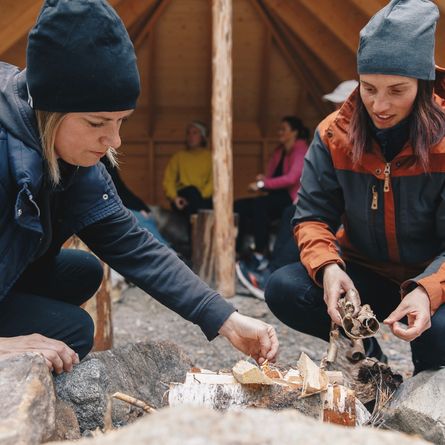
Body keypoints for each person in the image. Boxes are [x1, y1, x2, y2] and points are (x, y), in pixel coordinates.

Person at [0, 0, 278, 374]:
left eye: (121, 121)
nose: (113, 140)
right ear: (49, 110)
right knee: (73, 331)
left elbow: (134, 246)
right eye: (98, 123)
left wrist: (225, 317)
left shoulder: (74, 160)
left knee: (83, 270)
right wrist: (7, 345)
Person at [265, 0, 445, 372]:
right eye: (369, 88)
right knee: (286, 288)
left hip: (433, 275)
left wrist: (427, 292)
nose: (380, 105)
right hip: (367, 273)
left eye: (397, 90)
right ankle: (371, 363)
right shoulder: (334, 135)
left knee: (436, 338)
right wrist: (329, 266)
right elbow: (312, 216)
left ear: (424, 84)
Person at [236, 81, 358, 299]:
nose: (336, 111)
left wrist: (265, 184)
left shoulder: (352, 138)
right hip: (317, 200)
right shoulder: (334, 137)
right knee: (286, 214)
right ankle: (269, 266)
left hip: (341, 206)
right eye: (336, 106)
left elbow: (295, 178)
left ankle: (270, 273)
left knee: (296, 214)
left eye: (341, 105)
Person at [234, 116, 309, 262]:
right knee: (239, 206)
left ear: (294, 132)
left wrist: (263, 184)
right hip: (274, 196)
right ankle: (238, 251)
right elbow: (271, 177)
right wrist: (264, 180)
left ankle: (260, 252)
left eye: (283, 129)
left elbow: (291, 178)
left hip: (291, 199)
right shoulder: (279, 151)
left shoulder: (301, 150)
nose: (279, 133)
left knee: (260, 204)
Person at [101, 156, 169, 246]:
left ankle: (168, 250)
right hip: (105, 209)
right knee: (138, 219)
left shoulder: (106, 158)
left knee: (147, 216)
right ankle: (166, 250)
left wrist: (141, 207)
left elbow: (119, 188)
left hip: (118, 205)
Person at [163, 121, 213, 220]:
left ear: (202, 137)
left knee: (195, 195)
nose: (190, 136)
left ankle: (194, 234)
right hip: (182, 198)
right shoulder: (178, 157)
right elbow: (168, 180)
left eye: (195, 133)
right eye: (188, 133)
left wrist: (199, 197)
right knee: (191, 191)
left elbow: (214, 182)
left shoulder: (210, 157)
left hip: (203, 198)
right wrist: (174, 198)